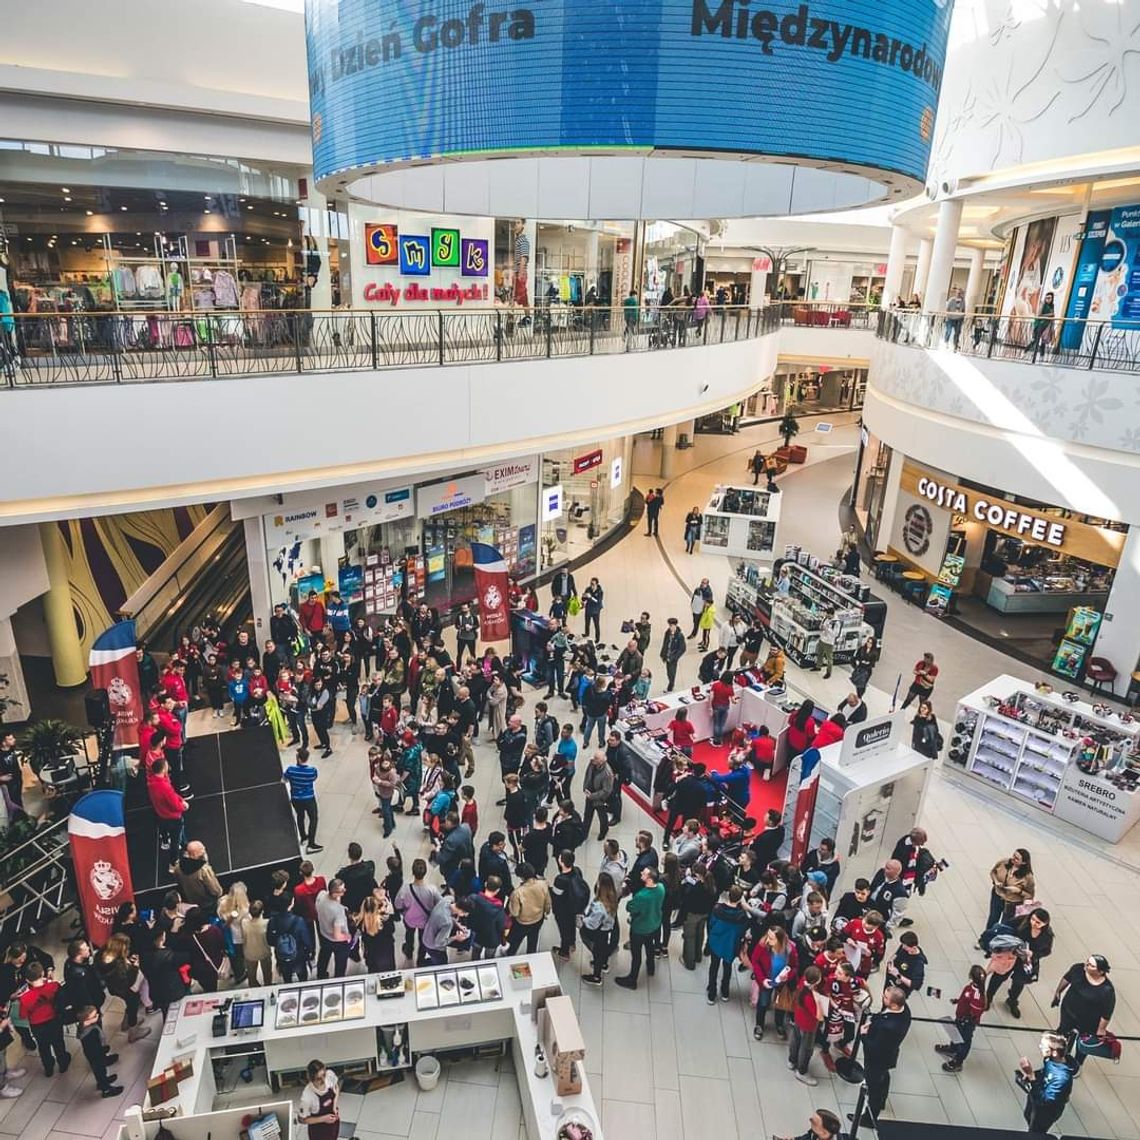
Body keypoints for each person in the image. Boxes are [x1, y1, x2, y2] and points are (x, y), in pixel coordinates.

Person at [851, 986, 911, 1129]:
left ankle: (869, 1117)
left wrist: (863, 1034)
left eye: (885, 997)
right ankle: (882, 1100)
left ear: (895, 1004)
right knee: (884, 1077)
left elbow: (873, 1048)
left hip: (878, 1060)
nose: (882, 998)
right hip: (889, 1055)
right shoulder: (904, 1010)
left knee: (874, 1088)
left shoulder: (889, 1027)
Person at [986, 907, 1053, 1017]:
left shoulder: (1047, 935)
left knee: (1019, 982)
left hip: (1026, 961)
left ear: (1045, 924)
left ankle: (1012, 1001)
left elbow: (1047, 951)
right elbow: (1006, 927)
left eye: (1038, 922)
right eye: (1033, 919)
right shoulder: (1021, 921)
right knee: (999, 976)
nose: (1034, 923)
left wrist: (1033, 954)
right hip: (1010, 955)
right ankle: (988, 997)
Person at [614, 866, 665, 990]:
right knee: (650, 946)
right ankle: (651, 967)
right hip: (654, 924)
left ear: (649, 880)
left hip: (640, 929)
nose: (641, 872)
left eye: (644, 873)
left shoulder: (642, 896)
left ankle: (632, 979)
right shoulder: (661, 888)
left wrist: (629, 905)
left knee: (636, 955)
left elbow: (630, 907)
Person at [1018, 1033, 1078, 1134]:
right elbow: (1045, 1072)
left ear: (1054, 1053)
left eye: (1043, 1046)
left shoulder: (1061, 1078)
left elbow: (1044, 1101)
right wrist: (1034, 1076)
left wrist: (1031, 1076)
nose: (1040, 1047)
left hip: (1045, 1111)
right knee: (1028, 1115)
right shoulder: (1051, 1059)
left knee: (1036, 1132)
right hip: (1037, 1096)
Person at [19, 961, 69, 1076]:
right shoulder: (53, 986)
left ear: (27, 980)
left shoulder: (24, 998)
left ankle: (48, 1068)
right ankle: (63, 1063)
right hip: (53, 1021)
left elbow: (23, 1015)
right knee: (59, 1043)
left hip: (37, 1026)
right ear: (42, 973)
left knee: (43, 1047)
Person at [935, 965, 986, 1071]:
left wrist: (967, 1020)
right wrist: (958, 1001)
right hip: (960, 1017)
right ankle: (952, 1049)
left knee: (964, 1041)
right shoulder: (970, 987)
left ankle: (958, 1061)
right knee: (955, 1033)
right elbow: (966, 998)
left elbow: (976, 1012)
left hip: (966, 1023)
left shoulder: (977, 995)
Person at [1053, 954, 1115, 1041]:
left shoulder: (1107, 990)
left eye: (1092, 966)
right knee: (1062, 1033)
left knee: (1083, 1041)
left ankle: (1079, 1053)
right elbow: (1067, 978)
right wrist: (1058, 992)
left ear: (1100, 972)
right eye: (1087, 962)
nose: (1087, 966)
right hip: (1068, 1012)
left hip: (1088, 1022)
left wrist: (1101, 1029)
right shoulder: (1078, 969)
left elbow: (1107, 1012)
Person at [705, 886, 749, 1002]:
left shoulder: (717, 909)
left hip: (717, 942)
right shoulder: (742, 916)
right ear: (740, 899)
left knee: (714, 967)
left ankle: (712, 992)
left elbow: (711, 924)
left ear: (728, 895)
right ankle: (725, 991)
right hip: (731, 944)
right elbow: (742, 931)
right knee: (727, 967)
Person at [981, 848, 1035, 938]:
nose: (1013, 859)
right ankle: (985, 939)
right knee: (992, 919)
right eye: (1014, 855)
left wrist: (1018, 891)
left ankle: (997, 944)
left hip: (1012, 903)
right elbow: (993, 872)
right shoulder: (1004, 862)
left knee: (1004, 925)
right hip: (997, 896)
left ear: (1024, 862)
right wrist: (996, 881)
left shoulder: (1028, 877)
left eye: (1017, 858)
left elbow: (1030, 895)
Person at [787, 965, 825, 1086]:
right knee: (806, 1048)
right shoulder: (810, 997)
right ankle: (802, 1071)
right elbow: (819, 1016)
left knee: (795, 1039)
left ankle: (792, 1060)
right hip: (808, 1025)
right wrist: (819, 1001)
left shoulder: (803, 982)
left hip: (798, 1018)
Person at [75, 1005, 122, 1098]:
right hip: (96, 1055)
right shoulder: (90, 1033)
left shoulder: (84, 1027)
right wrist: (103, 1049)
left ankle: (103, 1081)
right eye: (94, 1016)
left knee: (100, 1070)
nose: (97, 1016)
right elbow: (94, 1047)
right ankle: (106, 1089)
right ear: (87, 1021)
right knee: (100, 1070)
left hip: (94, 1054)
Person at [580, 874, 619, 985]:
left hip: (598, 932)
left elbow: (592, 924)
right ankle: (604, 964)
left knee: (597, 952)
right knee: (603, 948)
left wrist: (584, 919)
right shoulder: (613, 897)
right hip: (607, 929)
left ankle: (596, 976)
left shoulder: (599, 907)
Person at [283, 746, 322, 854]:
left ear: (298, 758)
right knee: (313, 818)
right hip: (309, 798)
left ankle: (303, 837)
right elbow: (314, 778)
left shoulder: (290, 770)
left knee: (300, 816)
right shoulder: (312, 771)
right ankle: (311, 844)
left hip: (296, 798)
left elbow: (284, 780)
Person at [551, 850, 589, 959]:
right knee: (571, 926)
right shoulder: (577, 871)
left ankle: (564, 952)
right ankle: (572, 943)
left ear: (561, 862)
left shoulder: (560, 879)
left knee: (564, 930)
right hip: (574, 908)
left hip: (563, 910)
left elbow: (556, 896)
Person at [506, 863, 552, 955]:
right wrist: (546, 912)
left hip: (522, 923)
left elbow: (515, 913)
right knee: (533, 941)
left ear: (521, 877)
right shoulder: (543, 884)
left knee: (515, 942)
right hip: (538, 919)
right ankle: (531, 956)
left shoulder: (517, 893)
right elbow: (548, 903)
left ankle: (510, 955)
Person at [146, 757, 188, 856]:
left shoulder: (151, 782)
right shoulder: (165, 787)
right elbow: (174, 803)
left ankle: (166, 843)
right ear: (163, 769)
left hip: (160, 813)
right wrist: (183, 806)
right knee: (175, 840)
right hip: (173, 817)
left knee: (165, 829)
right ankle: (174, 861)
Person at [315, 879, 352, 979]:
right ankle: (338, 978)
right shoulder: (338, 911)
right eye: (342, 890)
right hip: (338, 942)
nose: (345, 890)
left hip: (324, 934)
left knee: (324, 956)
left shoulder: (321, 895)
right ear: (335, 893)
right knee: (340, 963)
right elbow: (338, 935)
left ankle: (321, 974)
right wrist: (348, 936)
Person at [175, 840, 223, 911]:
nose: (204, 849)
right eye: (202, 849)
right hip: (208, 903)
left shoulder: (178, 867)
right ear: (194, 854)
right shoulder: (203, 871)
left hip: (192, 901)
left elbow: (179, 882)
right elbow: (216, 891)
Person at [299, 1060, 341, 1140]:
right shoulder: (307, 1097)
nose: (323, 1080)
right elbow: (301, 1119)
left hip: (333, 1123)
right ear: (311, 1079)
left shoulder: (329, 1075)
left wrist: (334, 1106)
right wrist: (323, 1119)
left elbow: (336, 1087)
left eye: (324, 1075)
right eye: (318, 1079)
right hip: (318, 1131)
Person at [581, 750, 614, 840]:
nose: (593, 759)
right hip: (590, 794)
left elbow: (606, 790)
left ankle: (604, 831)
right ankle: (584, 834)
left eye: (596, 758)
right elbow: (587, 774)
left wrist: (593, 796)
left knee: (602, 816)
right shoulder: (592, 763)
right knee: (587, 815)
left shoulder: (607, 773)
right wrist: (585, 787)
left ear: (601, 761)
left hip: (600, 799)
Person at [771, 1108, 844, 1140]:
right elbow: (808, 1137)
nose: (810, 1122)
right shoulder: (816, 1133)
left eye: (814, 1123)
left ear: (824, 1133)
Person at [709, 670, 736, 746]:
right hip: (725, 707)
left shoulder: (715, 685)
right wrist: (736, 701)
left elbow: (711, 696)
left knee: (716, 724)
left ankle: (715, 740)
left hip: (716, 707)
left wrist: (710, 707)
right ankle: (719, 740)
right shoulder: (730, 688)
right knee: (721, 725)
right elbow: (733, 700)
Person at [659, 617, 686, 691]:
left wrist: (675, 657)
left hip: (673, 657)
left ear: (675, 625)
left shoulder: (679, 635)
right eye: (669, 625)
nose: (670, 627)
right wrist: (662, 654)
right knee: (668, 672)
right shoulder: (667, 632)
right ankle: (671, 682)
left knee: (672, 672)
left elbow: (682, 648)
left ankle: (671, 685)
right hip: (667, 656)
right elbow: (665, 643)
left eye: (671, 625)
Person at [581, 577, 604, 642]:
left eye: (593, 584)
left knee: (596, 624)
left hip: (596, 610)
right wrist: (583, 597)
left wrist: (590, 597)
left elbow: (598, 601)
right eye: (591, 584)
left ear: (596, 584)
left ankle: (597, 638)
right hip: (588, 608)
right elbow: (583, 598)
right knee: (587, 623)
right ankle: (586, 634)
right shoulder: (588, 589)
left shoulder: (600, 591)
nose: (591, 586)